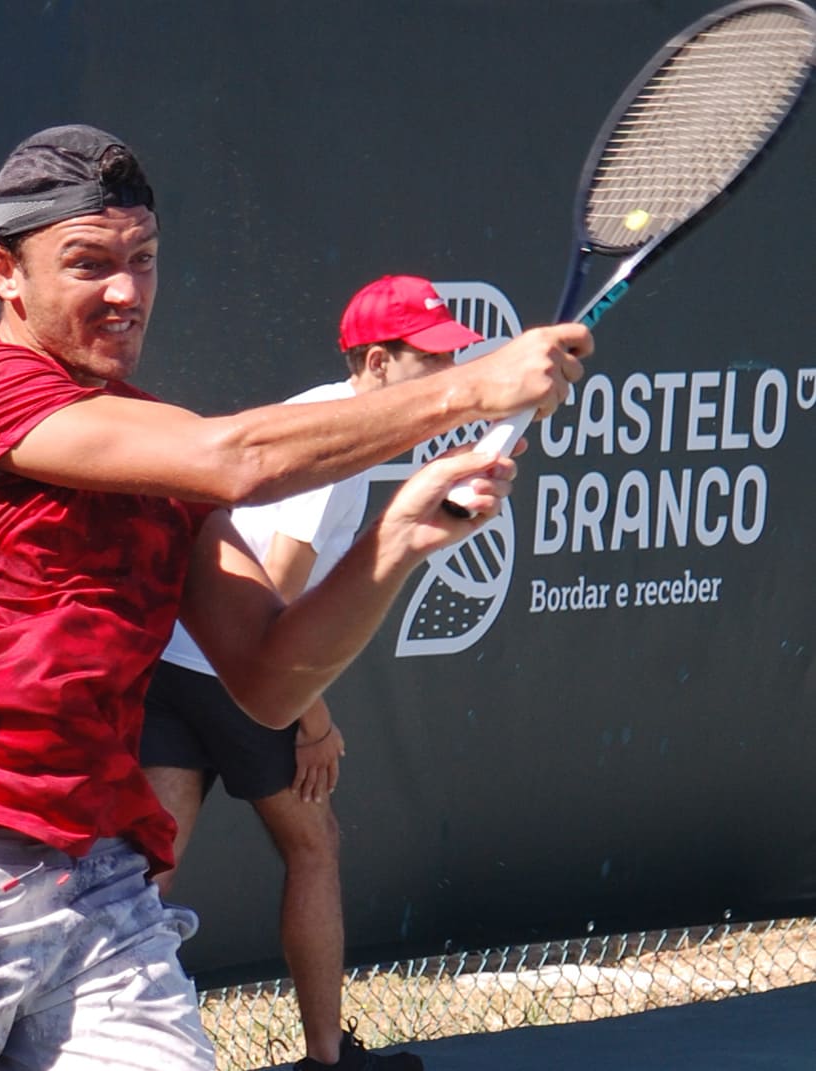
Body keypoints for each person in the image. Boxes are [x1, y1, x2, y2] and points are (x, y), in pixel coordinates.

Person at [0, 123, 590, 1071]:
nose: (126, 292)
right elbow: (235, 460)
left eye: (144, 260)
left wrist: (397, 536)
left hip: (98, 892)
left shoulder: (158, 448)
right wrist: (469, 390)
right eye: (89, 264)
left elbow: (269, 680)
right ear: (4, 271)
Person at [142, 274, 483, 1071]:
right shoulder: (332, 449)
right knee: (316, 845)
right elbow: (272, 612)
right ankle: (327, 1060)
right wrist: (314, 721)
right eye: (427, 360)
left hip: (171, 661)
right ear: (373, 363)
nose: (444, 379)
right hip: (229, 673)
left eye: (451, 358)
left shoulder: (320, 419)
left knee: (142, 880)